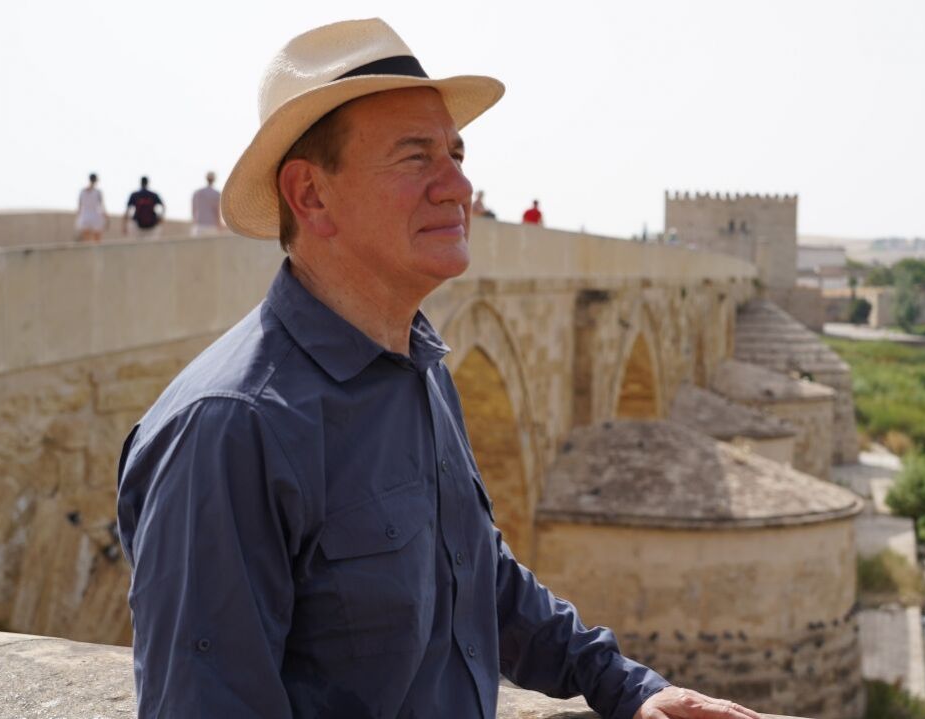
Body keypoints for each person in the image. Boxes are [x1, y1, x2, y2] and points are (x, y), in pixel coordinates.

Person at [116, 18, 759, 719]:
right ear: (311, 195)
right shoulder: (230, 429)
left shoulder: (417, 366)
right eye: (415, 157)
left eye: (455, 153)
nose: (459, 186)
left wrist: (625, 684)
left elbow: (472, 574)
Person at [75, 173, 107, 242]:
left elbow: (79, 207)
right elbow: (102, 206)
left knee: (86, 240)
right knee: (97, 240)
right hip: (95, 216)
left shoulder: (82, 191)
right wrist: (106, 218)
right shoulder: (98, 192)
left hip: (84, 216)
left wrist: (79, 218)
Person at [190, 171, 224, 236]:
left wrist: (194, 221)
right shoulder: (216, 194)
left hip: (199, 224)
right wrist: (219, 224)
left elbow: (193, 209)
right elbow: (217, 210)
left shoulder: (198, 193)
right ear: (214, 180)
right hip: (212, 225)